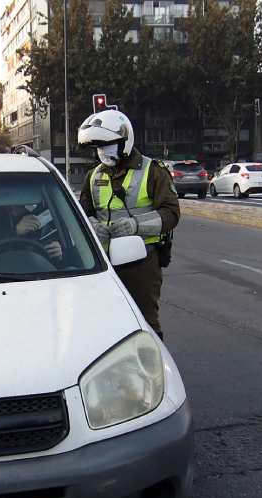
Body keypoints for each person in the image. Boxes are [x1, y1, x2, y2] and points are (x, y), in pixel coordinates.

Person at [76, 108, 179, 338]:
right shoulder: (93, 176)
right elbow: (82, 213)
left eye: (108, 145)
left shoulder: (153, 171)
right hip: (102, 261)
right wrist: (92, 224)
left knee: (145, 324)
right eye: (99, 147)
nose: (103, 151)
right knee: (104, 324)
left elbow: (171, 213)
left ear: (125, 140)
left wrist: (136, 225)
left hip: (141, 262)